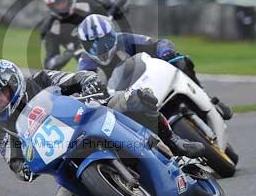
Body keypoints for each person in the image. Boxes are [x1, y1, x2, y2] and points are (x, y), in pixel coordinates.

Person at [0, 59, 207, 196]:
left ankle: (174, 142)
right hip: (65, 156)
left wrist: (89, 85)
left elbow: (78, 78)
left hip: (89, 116)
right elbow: (15, 161)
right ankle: (109, 193)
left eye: (1, 94)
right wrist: (24, 169)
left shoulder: (39, 80)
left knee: (135, 99)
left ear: (14, 83)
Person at [75, 14, 232, 119]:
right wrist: (87, 91)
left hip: (148, 80)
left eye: (105, 41)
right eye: (93, 45)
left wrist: (165, 51)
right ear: (84, 46)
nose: (101, 49)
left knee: (180, 60)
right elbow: (81, 84)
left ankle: (211, 101)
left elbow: (157, 43)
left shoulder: (126, 40)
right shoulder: (85, 63)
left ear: (113, 35)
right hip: (125, 102)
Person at [39, 0, 125, 70]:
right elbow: (49, 64)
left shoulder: (88, 0)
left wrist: (117, 11)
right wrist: (68, 54)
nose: (60, 7)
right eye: (56, 4)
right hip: (90, 66)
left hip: (114, 49)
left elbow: (115, 9)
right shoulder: (49, 27)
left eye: (62, 1)